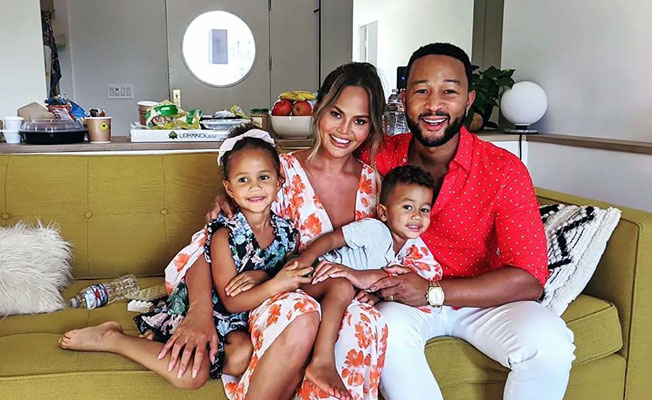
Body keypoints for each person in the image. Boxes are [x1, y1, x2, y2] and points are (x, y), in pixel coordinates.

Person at [359, 43, 576, 400]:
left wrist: (433, 291)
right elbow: (320, 171)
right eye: (421, 91)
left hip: (484, 301)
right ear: (404, 98)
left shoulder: (503, 170)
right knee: (383, 334)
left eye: (449, 91)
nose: (433, 105)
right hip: (402, 303)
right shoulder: (378, 157)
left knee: (550, 344)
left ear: (469, 99)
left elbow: (529, 278)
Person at [160, 62, 390, 399]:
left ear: (372, 126)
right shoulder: (278, 174)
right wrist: (199, 312)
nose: (344, 130)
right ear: (318, 110)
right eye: (336, 114)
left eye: (360, 121)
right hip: (277, 298)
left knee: (362, 323)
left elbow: (390, 251)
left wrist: (376, 287)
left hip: (340, 297)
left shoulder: (375, 185)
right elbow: (205, 248)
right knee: (301, 313)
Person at [58, 126, 310, 390]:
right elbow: (230, 300)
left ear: (279, 181)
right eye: (243, 180)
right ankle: (112, 338)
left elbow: (289, 265)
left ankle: (156, 343)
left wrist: (266, 276)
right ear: (229, 188)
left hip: (240, 322)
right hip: (212, 309)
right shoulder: (225, 234)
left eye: (264, 177)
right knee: (191, 377)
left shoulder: (287, 232)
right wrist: (274, 284)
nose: (255, 187)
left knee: (240, 358)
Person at [289, 165, 442, 399]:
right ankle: (321, 360)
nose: (417, 216)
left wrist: (373, 295)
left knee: (349, 292)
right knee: (342, 285)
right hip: (315, 275)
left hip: (336, 288)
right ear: (383, 213)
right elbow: (331, 240)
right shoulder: (374, 230)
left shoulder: (406, 249)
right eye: (407, 207)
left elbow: (390, 280)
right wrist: (304, 262)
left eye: (424, 209)